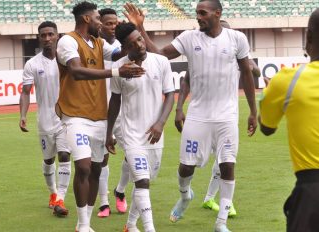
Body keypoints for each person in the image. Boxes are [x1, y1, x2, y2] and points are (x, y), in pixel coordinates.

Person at [123, 1, 257, 231]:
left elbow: (246, 73)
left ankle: (221, 223)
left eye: (203, 13)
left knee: (228, 165)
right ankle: (185, 196)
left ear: (217, 13)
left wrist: (254, 112)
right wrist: (141, 28)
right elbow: (161, 54)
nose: (198, 17)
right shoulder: (189, 38)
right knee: (186, 167)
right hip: (197, 116)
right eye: (197, 13)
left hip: (227, 117)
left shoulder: (237, 39)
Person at [55, 2, 144, 231]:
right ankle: (83, 225)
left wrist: (134, 32)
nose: (101, 24)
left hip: (99, 117)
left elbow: (120, 54)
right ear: (86, 19)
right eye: (97, 19)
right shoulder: (68, 41)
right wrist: (116, 71)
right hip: (75, 116)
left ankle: (83, 223)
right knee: (83, 167)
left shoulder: (98, 42)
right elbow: (75, 71)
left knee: (96, 169)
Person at [106, 22, 175, 232]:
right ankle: (149, 229)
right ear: (125, 49)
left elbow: (170, 95)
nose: (140, 43)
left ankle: (130, 225)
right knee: (142, 182)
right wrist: (108, 133)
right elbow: (114, 102)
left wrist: (160, 124)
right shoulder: (120, 70)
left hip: (155, 135)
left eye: (140, 38)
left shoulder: (161, 62)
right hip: (132, 135)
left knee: (143, 183)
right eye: (133, 42)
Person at [259, 8, 319, 232]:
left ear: (309, 37)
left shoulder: (287, 80)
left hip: (312, 192)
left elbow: (266, 127)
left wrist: (269, 93)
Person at [199, 19, 261, 217]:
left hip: (227, 116)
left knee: (224, 160)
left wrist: (250, 66)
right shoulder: (207, 57)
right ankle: (192, 195)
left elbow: (256, 70)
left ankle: (216, 201)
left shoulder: (238, 54)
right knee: (195, 163)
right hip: (204, 117)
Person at [19, 21, 71, 217]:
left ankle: (61, 199)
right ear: (39, 38)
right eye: (43, 35)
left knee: (65, 156)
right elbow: (25, 92)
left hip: (67, 118)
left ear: (58, 36)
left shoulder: (68, 60)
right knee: (49, 160)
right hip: (45, 120)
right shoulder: (32, 64)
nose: (47, 38)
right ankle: (53, 193)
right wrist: (23, 115)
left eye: (51, 34)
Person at [97, 8, 128, 218]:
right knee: (102, 158)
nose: (113, 27)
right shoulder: (93, 46)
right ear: (99, 24)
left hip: (122, 109)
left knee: (134, 152)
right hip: (98, 110)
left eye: (116, 23)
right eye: (109, 23)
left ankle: (121, 190)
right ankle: (104, 202)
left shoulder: (120, 45)